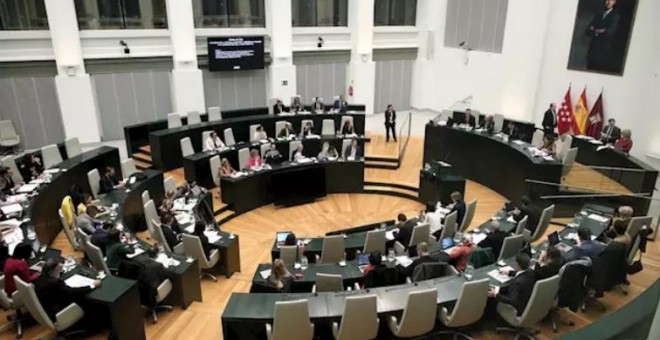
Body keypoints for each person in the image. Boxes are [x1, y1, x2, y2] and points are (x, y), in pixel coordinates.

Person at [33, 258, 100, 322]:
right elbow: (71, 291)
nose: (62, 265)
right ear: (56, 268)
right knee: (82, 299)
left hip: (47, 309)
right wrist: (92, 286)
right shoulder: (56, 282)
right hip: (59, 311)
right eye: (60, 264)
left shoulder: (39, 279)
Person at [586, 0, 620, 72]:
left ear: (615, 2)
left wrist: (594, 30)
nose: (608, 2)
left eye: (611, 0)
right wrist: (599, 31)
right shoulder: (598, 14)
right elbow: (587, 31)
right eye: (607, 0)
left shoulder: (615, 16)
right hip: (592, 51)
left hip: (604, 52)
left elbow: (609, 32)